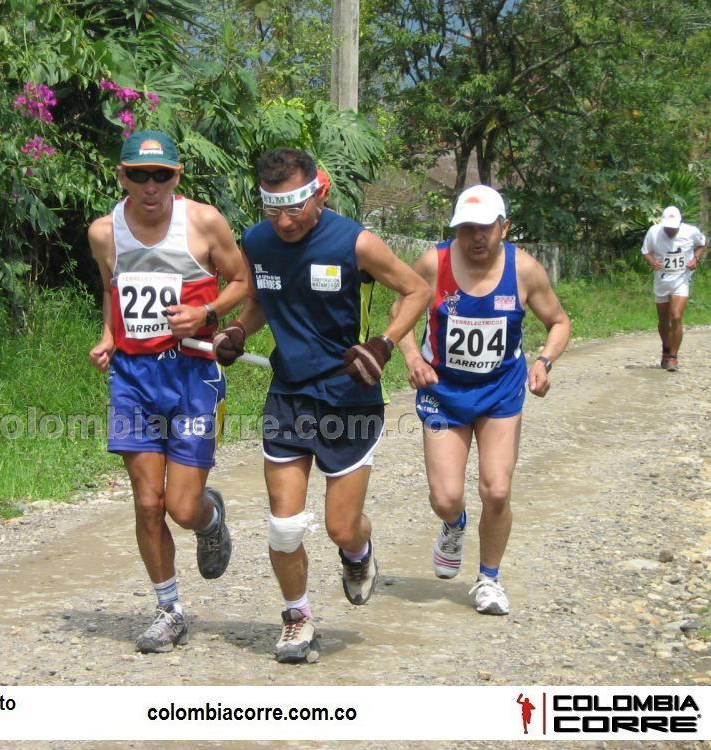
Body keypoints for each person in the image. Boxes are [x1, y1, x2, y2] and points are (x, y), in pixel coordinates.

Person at [213, 148, 430, 663]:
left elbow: (418, 289)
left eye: (294, 208)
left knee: (340, 527)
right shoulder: (257, 241)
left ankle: (358, 553)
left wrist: (383, 343)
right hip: (288, 396)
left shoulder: (355, 242)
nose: (284, 221)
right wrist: (241, 329)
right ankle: (296, 617)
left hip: (348, 399)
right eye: (273, 209)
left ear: (319, 191)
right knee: (284, 526)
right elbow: (265, 297)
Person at [87, 130, 249, 654]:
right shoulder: (103, 232)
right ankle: (168, 608)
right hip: (134, 379)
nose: (150, 185)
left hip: (192, 375)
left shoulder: (203, 222)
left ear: (177, 177)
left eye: (162, 175)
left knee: (182, 506)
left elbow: (243, 282)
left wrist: (207, 314)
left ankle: (211, 517)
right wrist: (109, 335)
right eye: (139, 174)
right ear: (122, 176)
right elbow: (113, 290)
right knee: (147, 502)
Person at [395, 184, 571, 616]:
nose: (475, 237)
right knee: (446, 497)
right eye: (466, 228)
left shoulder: (525, 270)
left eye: (485, 228)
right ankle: (453, 526)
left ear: (504, 227)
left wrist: (544, 361)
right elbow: (399, 312)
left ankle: (489, 578)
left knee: (496, 490)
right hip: (443, 393)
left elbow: (559, 322)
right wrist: (413, 357)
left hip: (500, 392)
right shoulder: (432, 264)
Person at [640, 206, 706, 371]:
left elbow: (702, 244)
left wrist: (695, 259)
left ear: (679, 223)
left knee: (676, 316)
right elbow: (646, 251)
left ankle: (673, 357)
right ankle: (666, 349)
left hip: (681, 279)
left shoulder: (691, 231)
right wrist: (652, 262)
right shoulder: (654, 232)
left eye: (674, 227)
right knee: (663, 320)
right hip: (662, 280)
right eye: (668, 227)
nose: (671, 231)